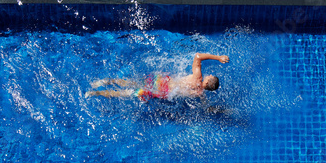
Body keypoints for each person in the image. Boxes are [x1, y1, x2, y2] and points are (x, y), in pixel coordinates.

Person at [86, 53, 229, 100]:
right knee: (127, 93)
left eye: (210, 75)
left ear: (208, 80)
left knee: (131, 82)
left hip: (161, 81)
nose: (209, 74)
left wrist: (218, 57)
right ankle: (95, 93)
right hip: (161, 93)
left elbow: (198, 56)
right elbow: (206, 108)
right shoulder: (199, 94)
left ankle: (106, 81)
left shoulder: (197, 77)